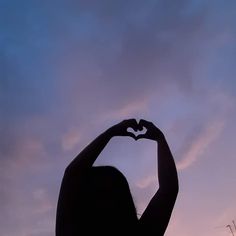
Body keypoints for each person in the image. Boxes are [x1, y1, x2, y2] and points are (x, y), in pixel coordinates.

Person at [56, 119, 179, 235]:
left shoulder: (72, 230)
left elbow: (72, 174)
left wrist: (110, 133)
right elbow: (169, 189)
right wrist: (160, 139)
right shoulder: (138, 234)